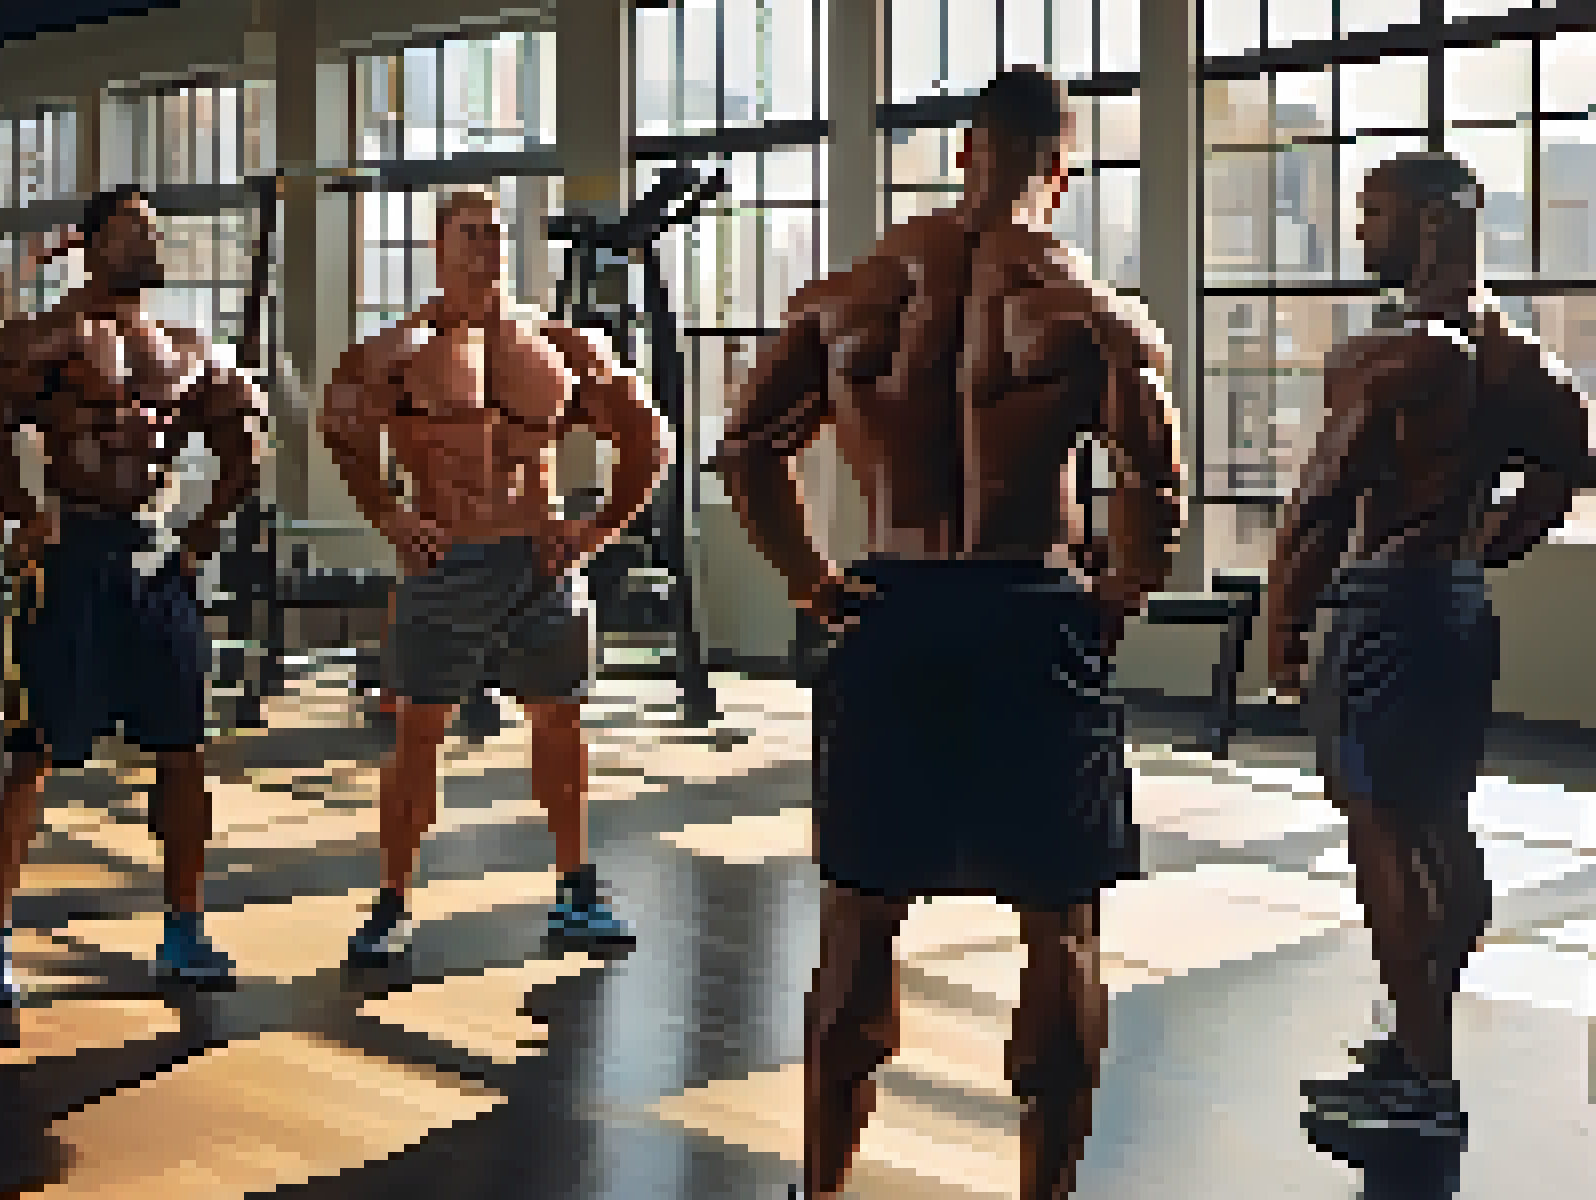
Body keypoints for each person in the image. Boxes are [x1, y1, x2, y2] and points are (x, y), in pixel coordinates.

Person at [713, 67, 1185, 1200]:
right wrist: (1112, 599)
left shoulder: (848, 300)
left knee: (858, 920)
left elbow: (746, 453)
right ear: (1061, 173)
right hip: (1032, 610)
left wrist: (815, 580)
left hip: (895, 609)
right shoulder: (1092, 314)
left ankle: (822, 1188)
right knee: (1061, 930)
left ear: (965, 151)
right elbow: (1154, 490)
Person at [1265, 152, 1592, 1158]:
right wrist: (1479, 550)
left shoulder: (1404, 352)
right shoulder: (1519, 355)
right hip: (1452, 608)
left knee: (1385, 837)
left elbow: (1324, 497)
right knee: (1441, 827)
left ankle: (1426, 1082)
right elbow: (1566, 466)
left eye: (1374, 214)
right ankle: (1415, 1051)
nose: (1361, 233)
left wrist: (1284, 621)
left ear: (1434, 223)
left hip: (1387, 611)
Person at [320, 188, 667, 968]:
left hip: (539, 562)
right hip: (446, 564)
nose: (486, 247)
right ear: (438, 246)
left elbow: (648, 434)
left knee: (561, 723)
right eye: (470, 234)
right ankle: (392, 900)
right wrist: (390, 515)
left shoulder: (556, 347)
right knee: (417, 734)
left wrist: (602, 525)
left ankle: (576, 889)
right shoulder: (400, 352)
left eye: (496, 233)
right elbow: (341, 426)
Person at [0, 185, 264, 1006]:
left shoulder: (188, 345)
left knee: (184, 751)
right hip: (73, 552)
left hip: (158, 557)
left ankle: (185, 930)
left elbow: (245, 439)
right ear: (91, 242)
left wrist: (202, 531)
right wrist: (22, 516)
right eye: (132, 230)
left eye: (155, 230)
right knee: (31, 755)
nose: (149, 243)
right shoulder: (44, 338)